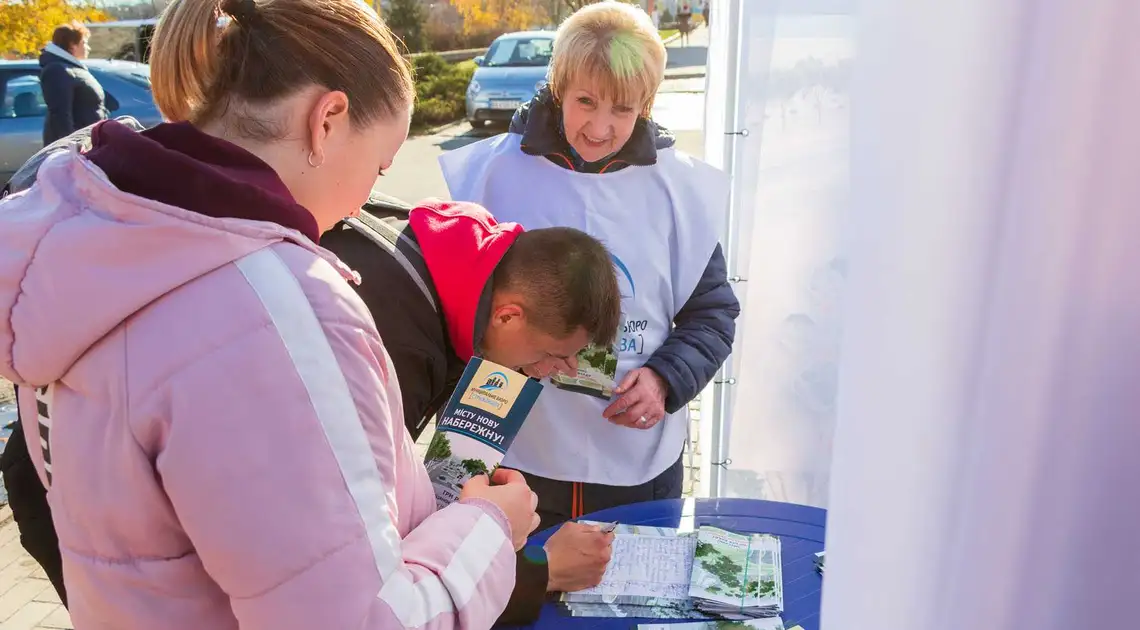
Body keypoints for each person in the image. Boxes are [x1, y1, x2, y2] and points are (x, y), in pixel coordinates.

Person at [0, 0, 542, 627]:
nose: (367, 197)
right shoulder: (276, 308)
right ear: (328, 120)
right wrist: (488, 527)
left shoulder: (96, 250)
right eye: (379, 164)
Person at [0, 136, 620, 624]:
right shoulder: (384, 331)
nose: (549, 376)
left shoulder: (445, 260)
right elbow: (366, 581)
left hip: (94, 467)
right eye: (551, 357)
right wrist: (530, 571)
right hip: (80, 505)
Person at [440, 1, 739, 531]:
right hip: (513, 450)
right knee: (517, 599)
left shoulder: (677, 190)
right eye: (585, 101)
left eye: (622, 109)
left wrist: (666, 379)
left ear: (646, 104)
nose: (600, 127)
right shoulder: (492, 174)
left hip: (635, 460)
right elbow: (453, 306)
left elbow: (712, 313)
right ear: (559, 88)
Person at [40, 22, 107, 145]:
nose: (88, 48)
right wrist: (72, 148)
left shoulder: (72, 68)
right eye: (84, 43)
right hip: (76, 149)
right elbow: (60, 116)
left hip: (88, 142)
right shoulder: (58, 70)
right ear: (72, 45)